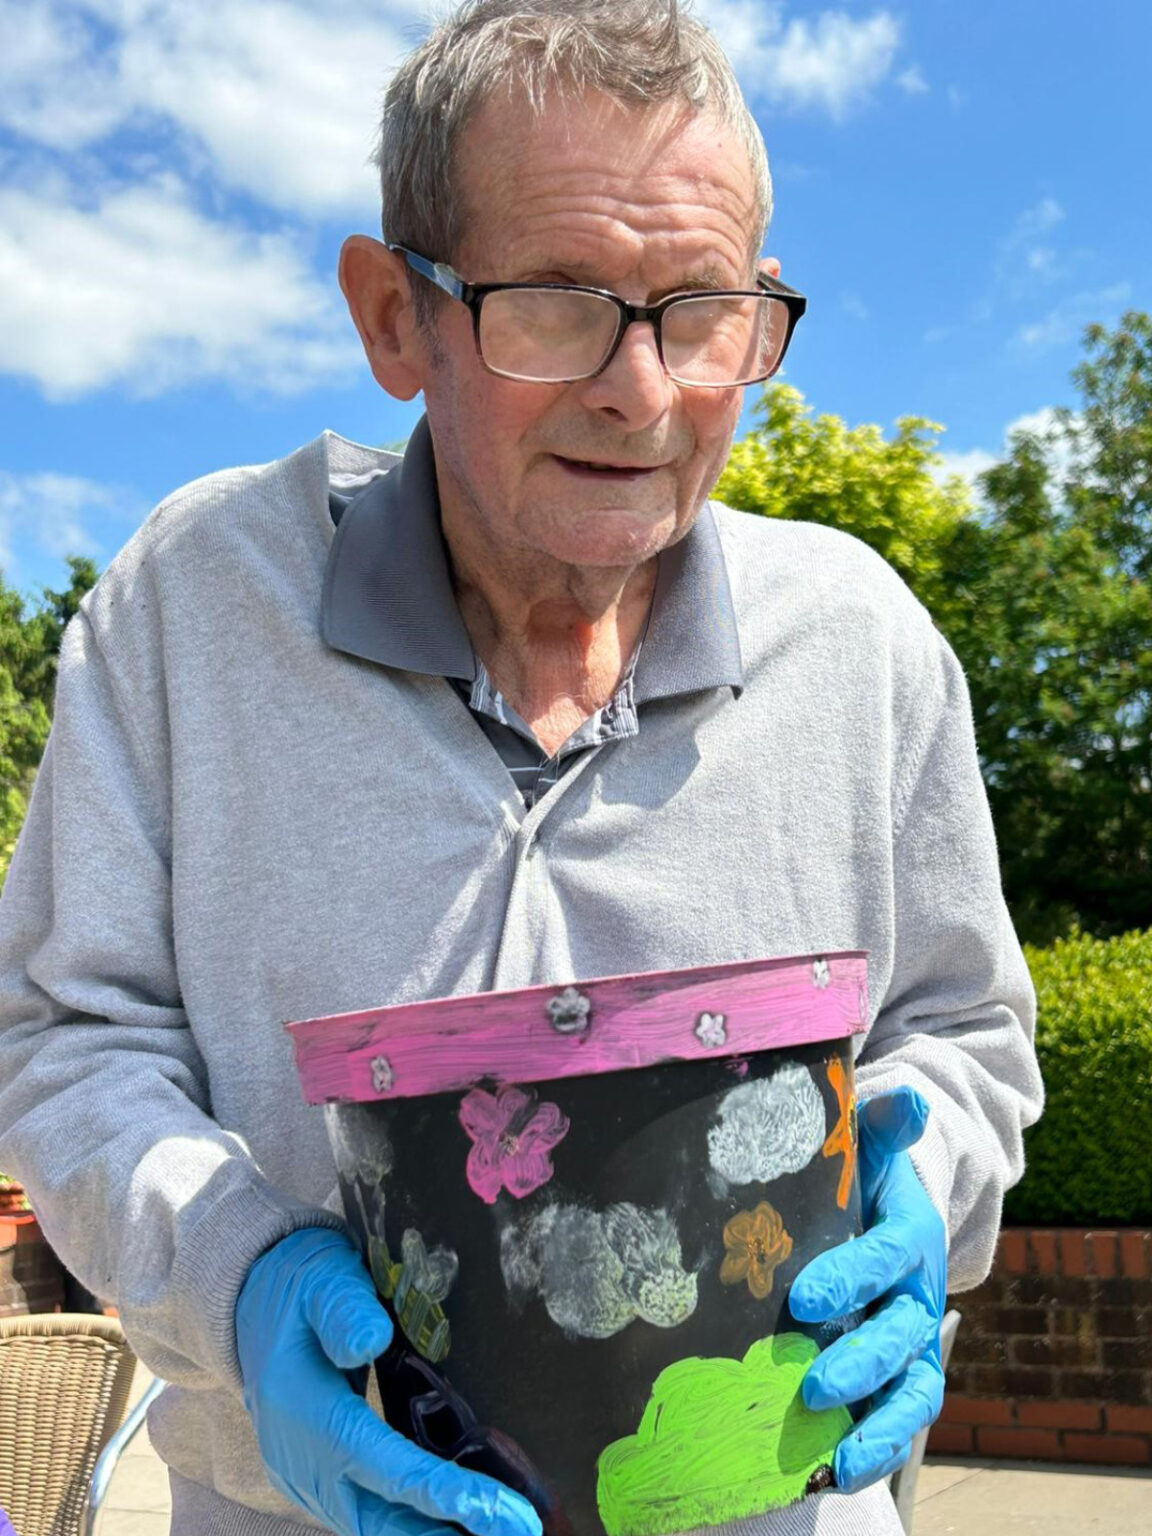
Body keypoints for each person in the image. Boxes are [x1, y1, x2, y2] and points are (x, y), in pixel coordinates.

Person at [0, 3, 1042, 1535]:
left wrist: (921, 1177)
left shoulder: (860, 643)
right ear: (393, 317)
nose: (644, 391)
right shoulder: (194, 608)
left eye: (703, 310)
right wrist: (239, 1276)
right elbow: (66, 1035)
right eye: (557, 303)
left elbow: (963, 1029)